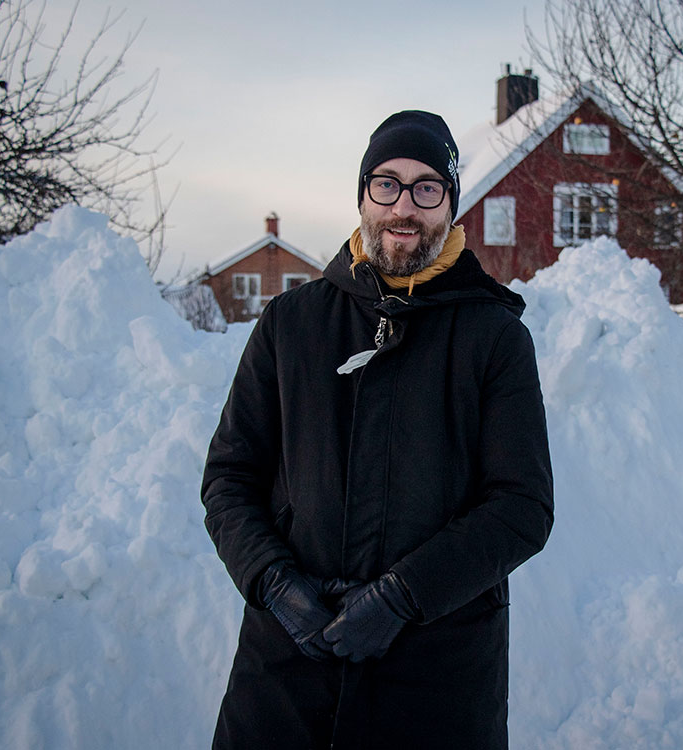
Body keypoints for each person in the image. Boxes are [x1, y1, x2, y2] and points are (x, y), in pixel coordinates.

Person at [201, 110, 554, 750]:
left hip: (435, 683)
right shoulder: (291, 325)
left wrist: (402, 597)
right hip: (285, 677)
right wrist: (274, 583)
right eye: (386, 184)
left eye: (426, 187)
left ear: (449, 202)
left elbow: (522, 506)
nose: (404, 206)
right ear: (363, 195)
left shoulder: (495, 337)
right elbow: (229, 478)